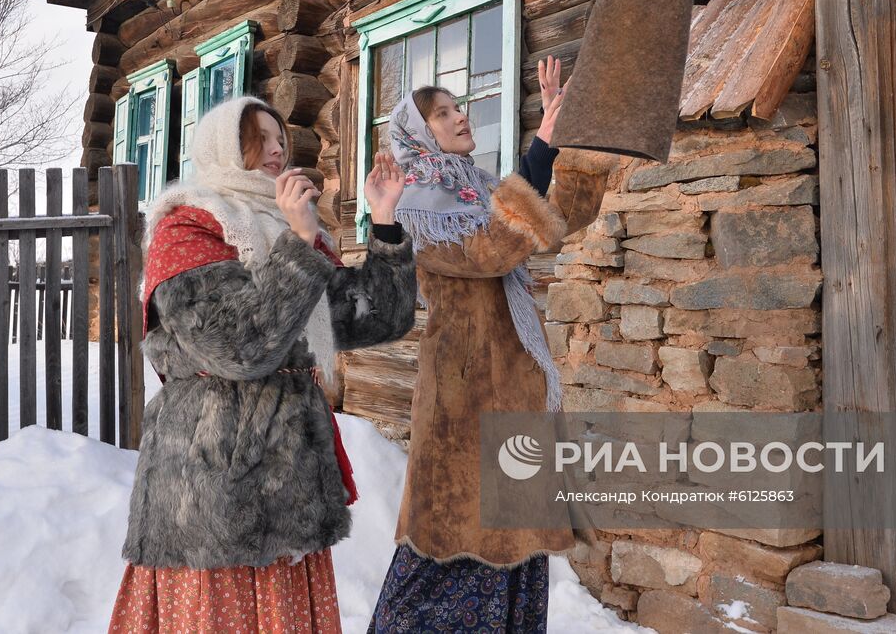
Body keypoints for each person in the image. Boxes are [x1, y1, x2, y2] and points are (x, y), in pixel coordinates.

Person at [109, 94, 418, 634]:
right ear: (226, 149)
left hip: (292, 489)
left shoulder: (289, 231)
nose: (279, 150)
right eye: (261, 138)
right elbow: (237, 346)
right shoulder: (185, 231)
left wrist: (387, 225)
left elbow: (376, 318)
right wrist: (299, 245)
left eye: (281, 139)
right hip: (215, 492)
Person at [368, 57, 617, 633]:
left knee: (518, 563)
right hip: (464, 412)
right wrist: (541, 147)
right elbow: (490, 249)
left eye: (460, 107)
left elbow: (552, 218)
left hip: (512, 401)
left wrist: (567, 136)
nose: (461, 116)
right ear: (417, 133)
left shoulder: (477, 191)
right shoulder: (416, 207)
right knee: (450, 556)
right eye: (444, 113)